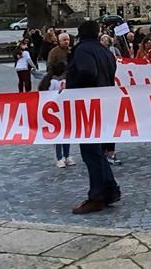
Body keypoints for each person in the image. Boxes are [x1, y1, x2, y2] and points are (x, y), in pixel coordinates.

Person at [68, 20, 122, 214]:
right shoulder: (106, 51)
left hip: (88, 105)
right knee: (98, 151)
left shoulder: (83, 50)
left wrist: (74, 88)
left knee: (91, 152)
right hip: (104, 104)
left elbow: (87, 71)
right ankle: (111, 189)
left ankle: (96, 196)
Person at [39, 61, 75, 168]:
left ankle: (64, 157)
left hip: (59, 111)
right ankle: (61, 157)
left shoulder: (50, 81)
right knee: (61, 136)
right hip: (58, 111)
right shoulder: (55, 82)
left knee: (64, 135)